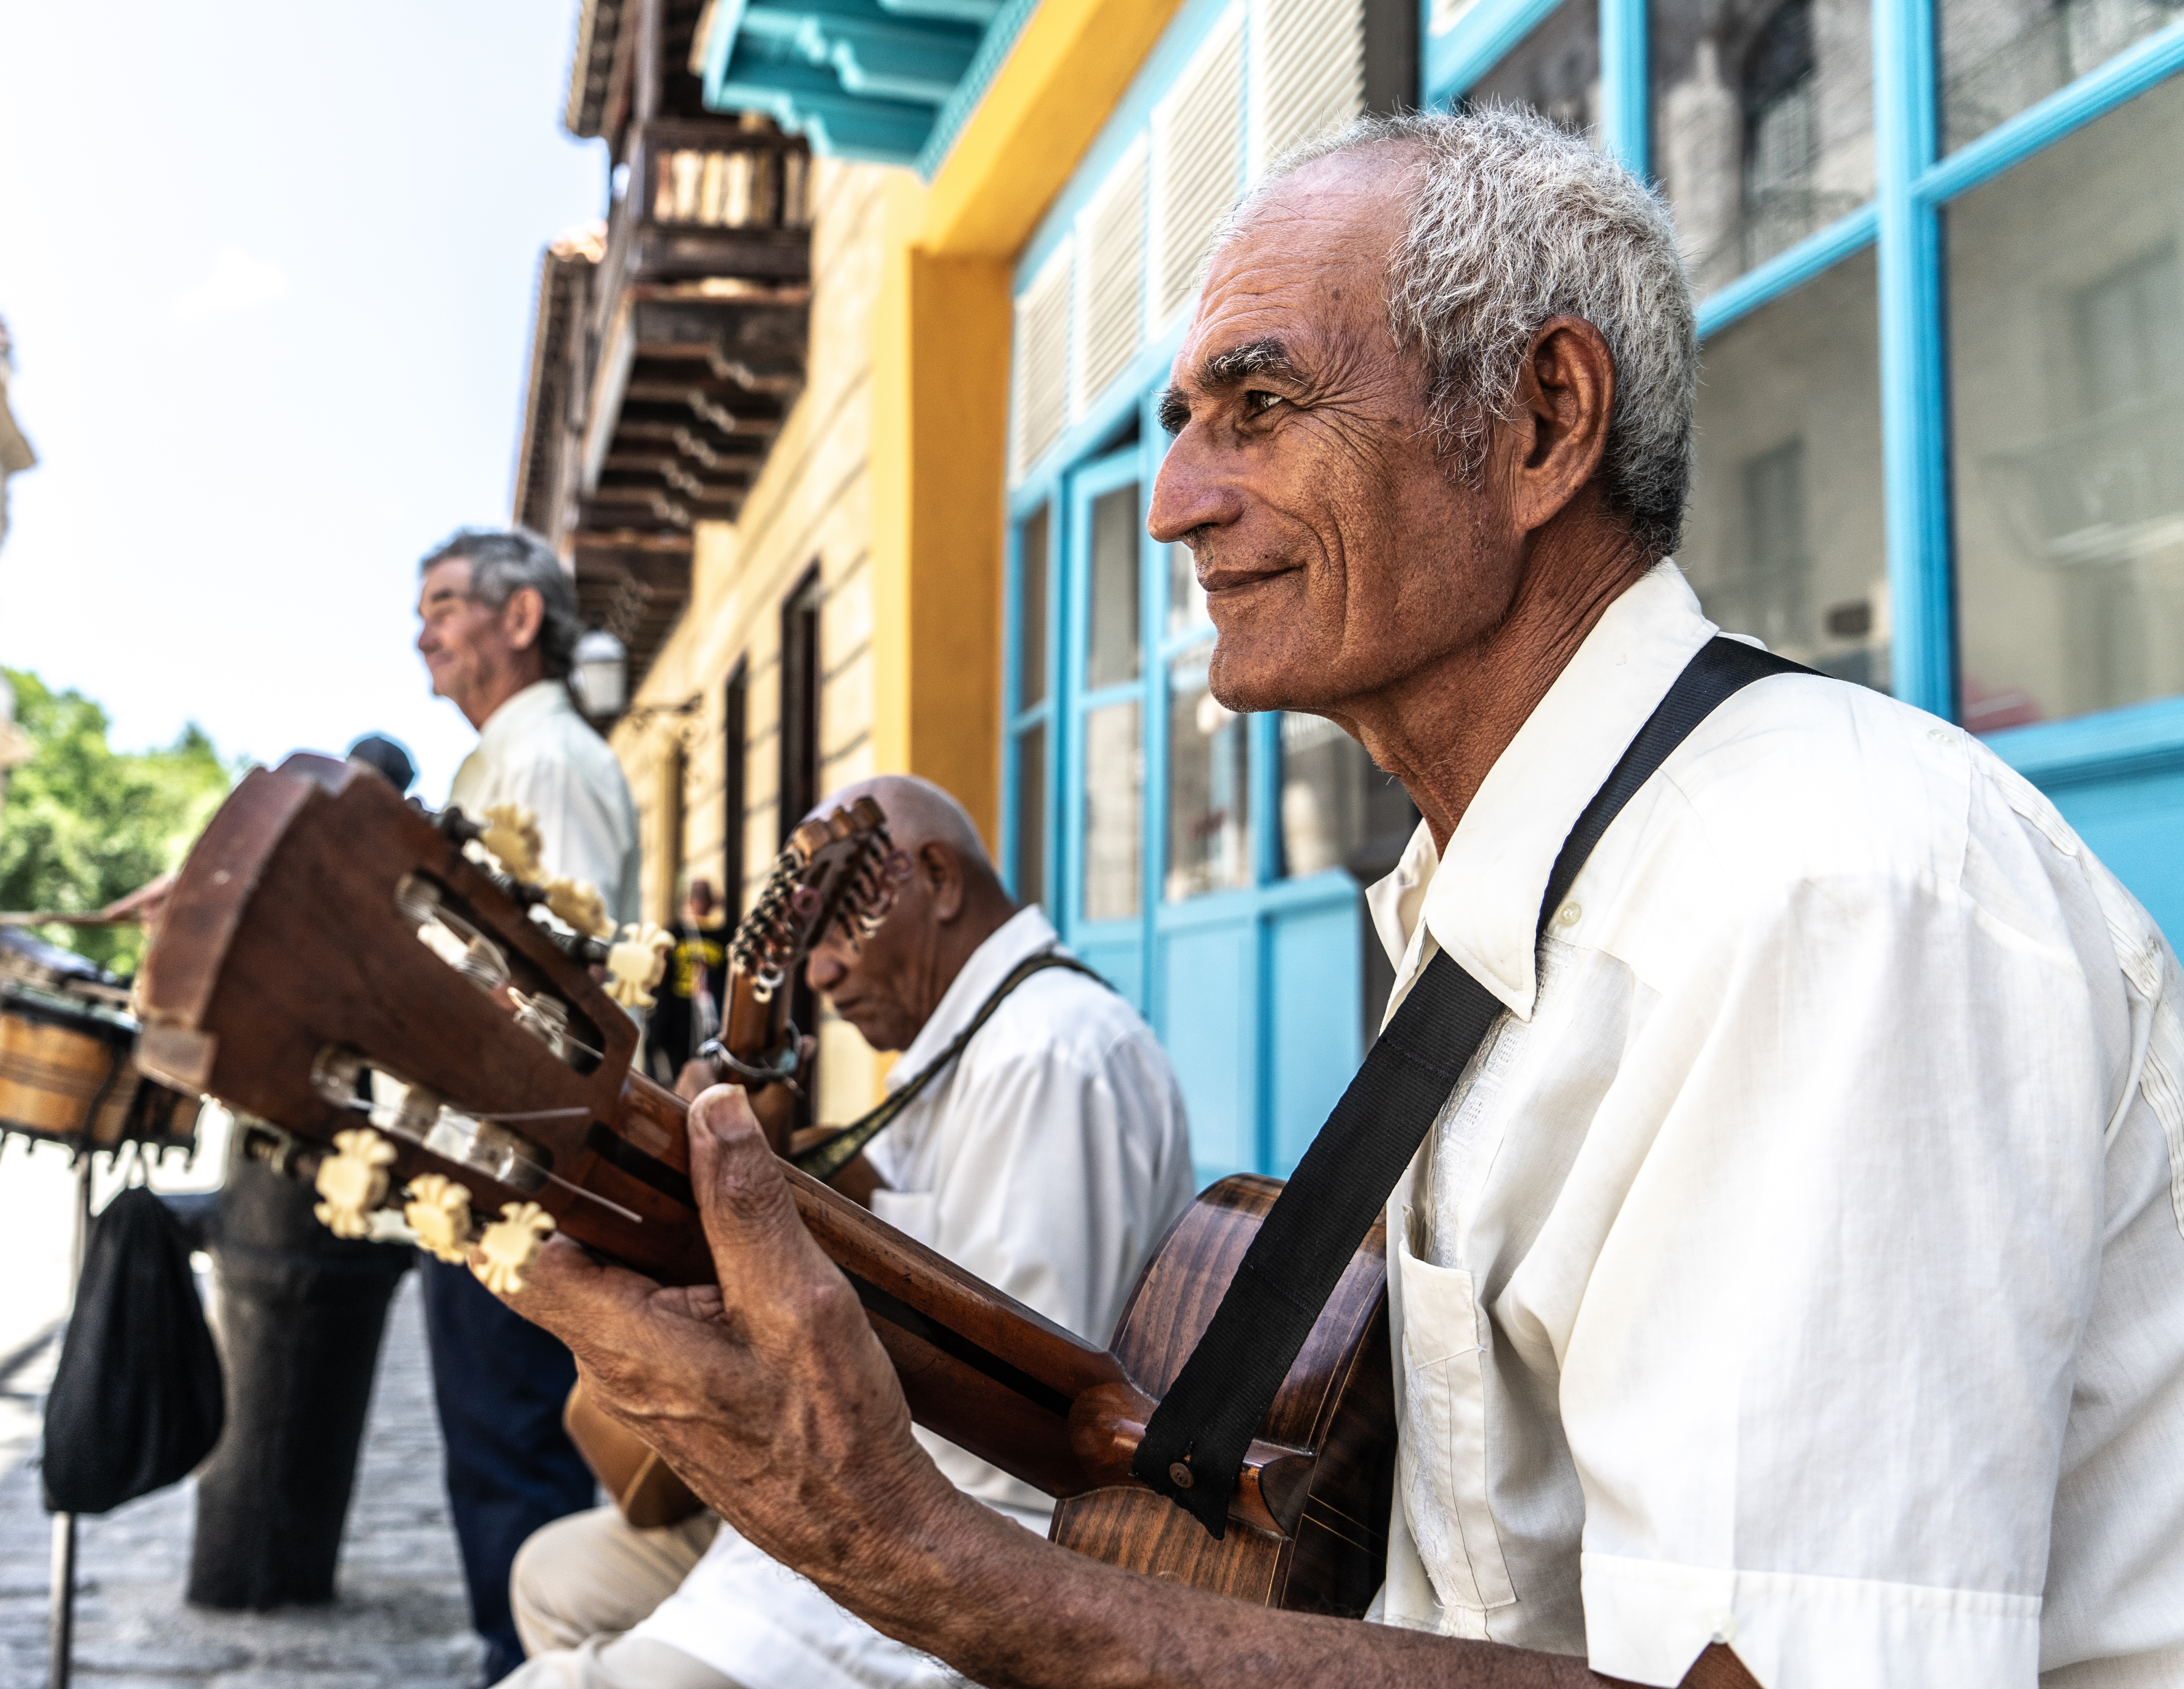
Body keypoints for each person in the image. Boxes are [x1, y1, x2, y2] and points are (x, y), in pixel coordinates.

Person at [497, 108, 2184, 1688]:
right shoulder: (1507, 886)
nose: (1174, 503)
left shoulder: (1817, 893)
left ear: (1539, 423)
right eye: (1181, 427)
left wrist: (914, 1547)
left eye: (1262, 405)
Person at [499, 773, 1196, 1689]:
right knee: (554, 1575)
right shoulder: (958, 1050)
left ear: (939, 879)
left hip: (974, 1548)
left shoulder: (1050, 1052)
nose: (818, 975)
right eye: (802, 945)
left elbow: (1016, 1429)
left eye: (835, 931)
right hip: (866, 1493)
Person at [414, 526, 644, 1684]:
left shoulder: (546, 761)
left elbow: (565, 992)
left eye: (449, 603)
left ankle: (533, 1665)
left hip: (520, 1174)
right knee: (492, 1445)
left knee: (514, 1447)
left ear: (519, 621)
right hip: (488, 1161)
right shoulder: (508, 759)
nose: (426, 629)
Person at [643, 879, 727, 1082]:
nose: (699, 904)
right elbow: (659, 977)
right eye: (696, 899)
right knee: (674, 1073)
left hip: (709, 1017)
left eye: (704, 899)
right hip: (676, 1015)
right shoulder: (676, 934)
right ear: (688, 902)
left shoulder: (723, 936)